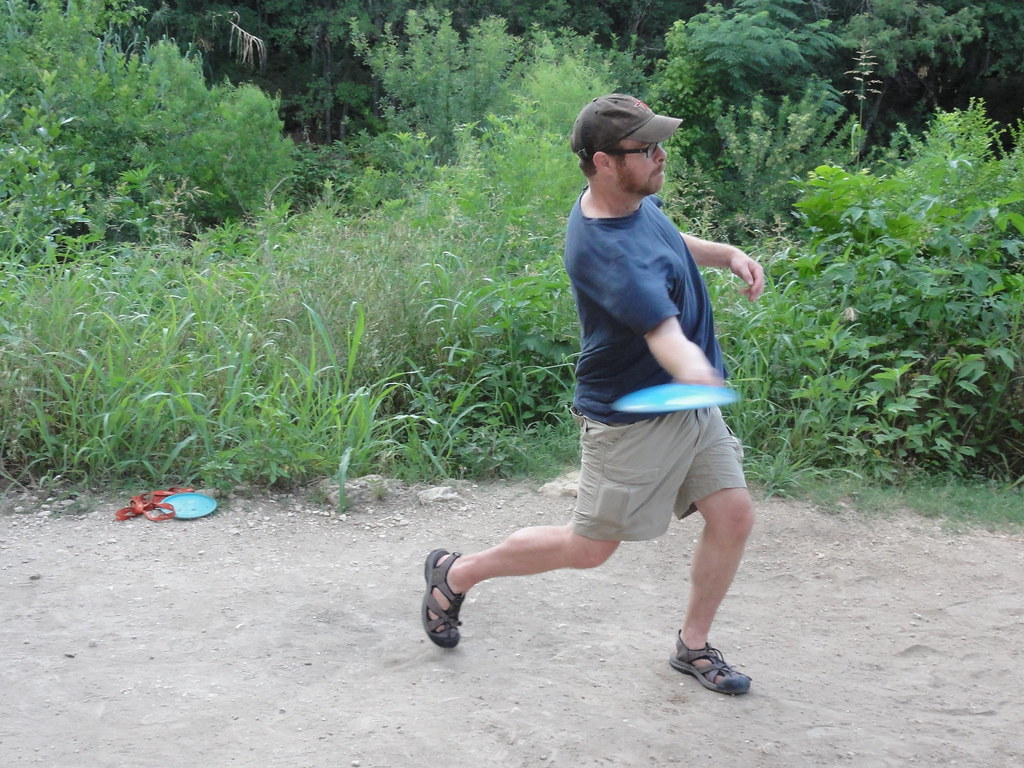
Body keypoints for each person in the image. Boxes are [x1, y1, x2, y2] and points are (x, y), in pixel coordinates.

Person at [421, 94, 765, 695]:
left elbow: (669, 241)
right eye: (647, 149)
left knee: (733, 515)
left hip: (685, 406)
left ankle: (692, 646)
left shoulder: (630, 199)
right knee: (588, 549)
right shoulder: (607, 253)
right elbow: (665, 336)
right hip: (634, 419)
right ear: (605, 161)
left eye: (661, 144)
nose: (662, 157)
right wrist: (698, 371)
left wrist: (726, 255)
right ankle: (457, 573)